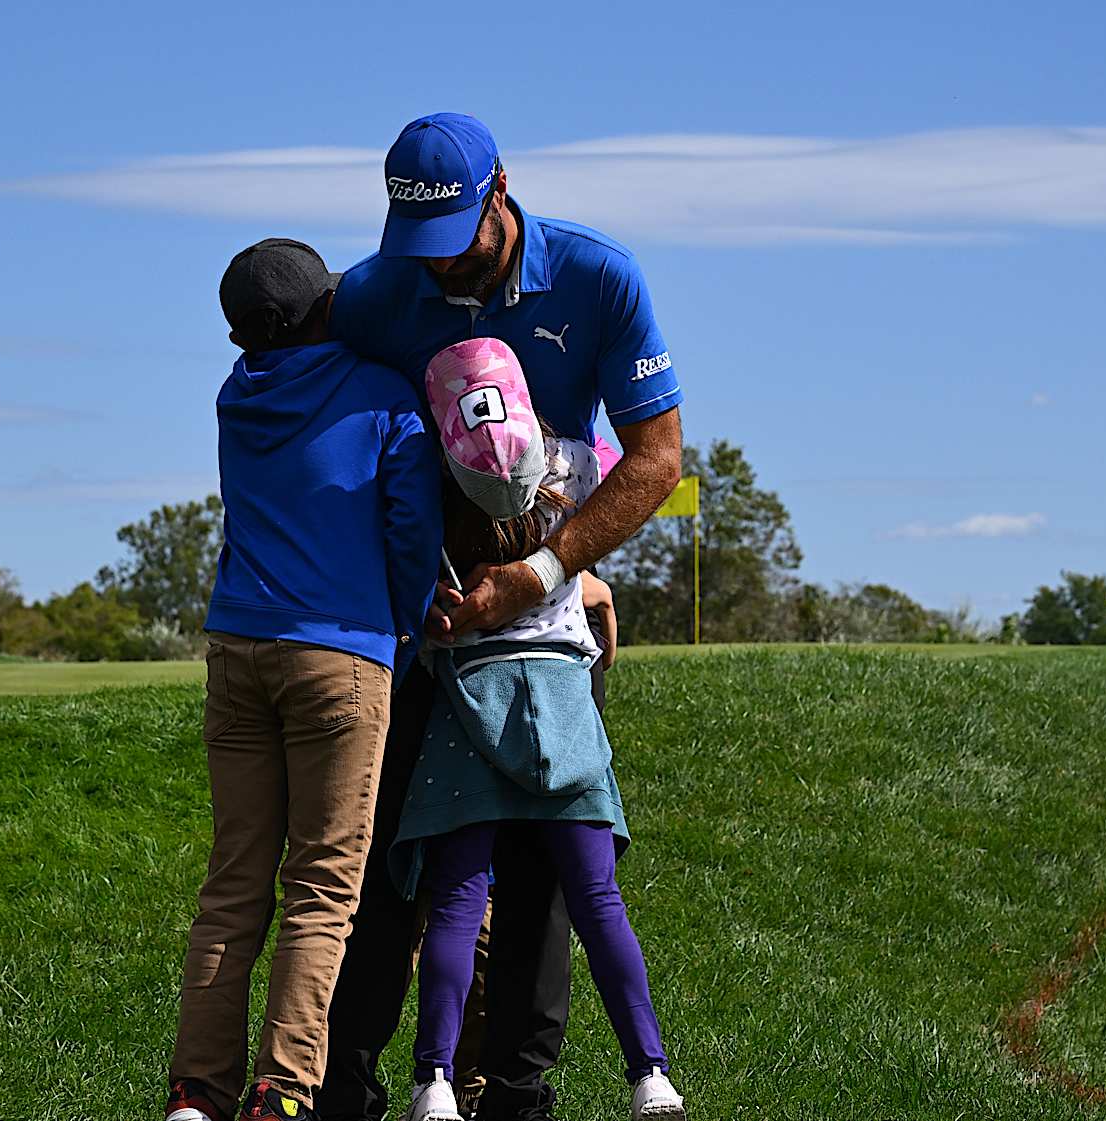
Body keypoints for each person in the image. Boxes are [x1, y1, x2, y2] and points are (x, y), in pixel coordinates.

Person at [321, 113, 685, 1121]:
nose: (436, 271)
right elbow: (314, 416)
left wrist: (548, 569)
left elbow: (656, 460)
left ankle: (514, 1094)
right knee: (393, 867)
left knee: (544, 880)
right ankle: (347, 1086)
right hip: (412, 623)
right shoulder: (373, 292)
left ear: (500, 193)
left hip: (545, 614)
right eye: (417, 248)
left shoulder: (598, 278)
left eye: (455, 243)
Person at [164, 238, 442, 1121]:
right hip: (344, 655)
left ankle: (196, 1093)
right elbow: (410, 527)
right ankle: (280, 1091)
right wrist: (402, 623)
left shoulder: (234, 396)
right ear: (326, 308)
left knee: (234, 883)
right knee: (322, 887)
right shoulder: (380, 392)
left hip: (236, 651)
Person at [396, 339, 686, 1121]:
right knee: (598, 900)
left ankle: (435, 1083)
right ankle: (649, 1071)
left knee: (458, 902)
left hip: (469, 710)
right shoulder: (580, 470)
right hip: (563, 703)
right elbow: (618, 473)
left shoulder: (432, 482)